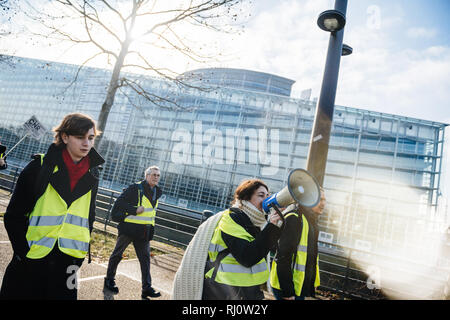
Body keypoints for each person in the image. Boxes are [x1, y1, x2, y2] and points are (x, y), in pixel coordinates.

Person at [0, 113, 104, 300]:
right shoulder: (39, 167)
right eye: (80, 137)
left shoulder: (94, 174)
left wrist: (78, 257)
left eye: (90, 138)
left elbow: (90, 216)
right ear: (64, 137)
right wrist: (23, 253)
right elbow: (13, 216)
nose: (86, 143)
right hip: (32, 258)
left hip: (70, 263)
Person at [202, 179, 283, 300]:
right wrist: (271, 227)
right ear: (245, 198)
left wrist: (278, 224)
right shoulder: (230, 219)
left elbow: (269, 248)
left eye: (267, 196)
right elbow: (247, 257)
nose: (265, 200)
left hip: (249, 289)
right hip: (223, 289)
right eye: (261, 195)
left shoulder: (258, 223)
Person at [104, 166, 162, 299]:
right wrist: (134, 209)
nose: (156, 177)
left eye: (158, 175)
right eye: (153, 174)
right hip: (129, 228)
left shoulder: (157, 192)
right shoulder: (135, 188)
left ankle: (146, 288)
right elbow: (119, 203)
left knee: (145, 259)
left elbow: (150, 214)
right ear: (146, 176)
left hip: (144, 232)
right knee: (117, 255)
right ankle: (109, 280)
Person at [269, 187, 326, 300]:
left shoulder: (310, 221)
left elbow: (310, 256)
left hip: (298, 286)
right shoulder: (294, 218)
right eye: (320, 199)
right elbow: (282, 257)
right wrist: (287, 292)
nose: (323, 203)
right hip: (288, 288)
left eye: (324, 200)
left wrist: (310, 284)